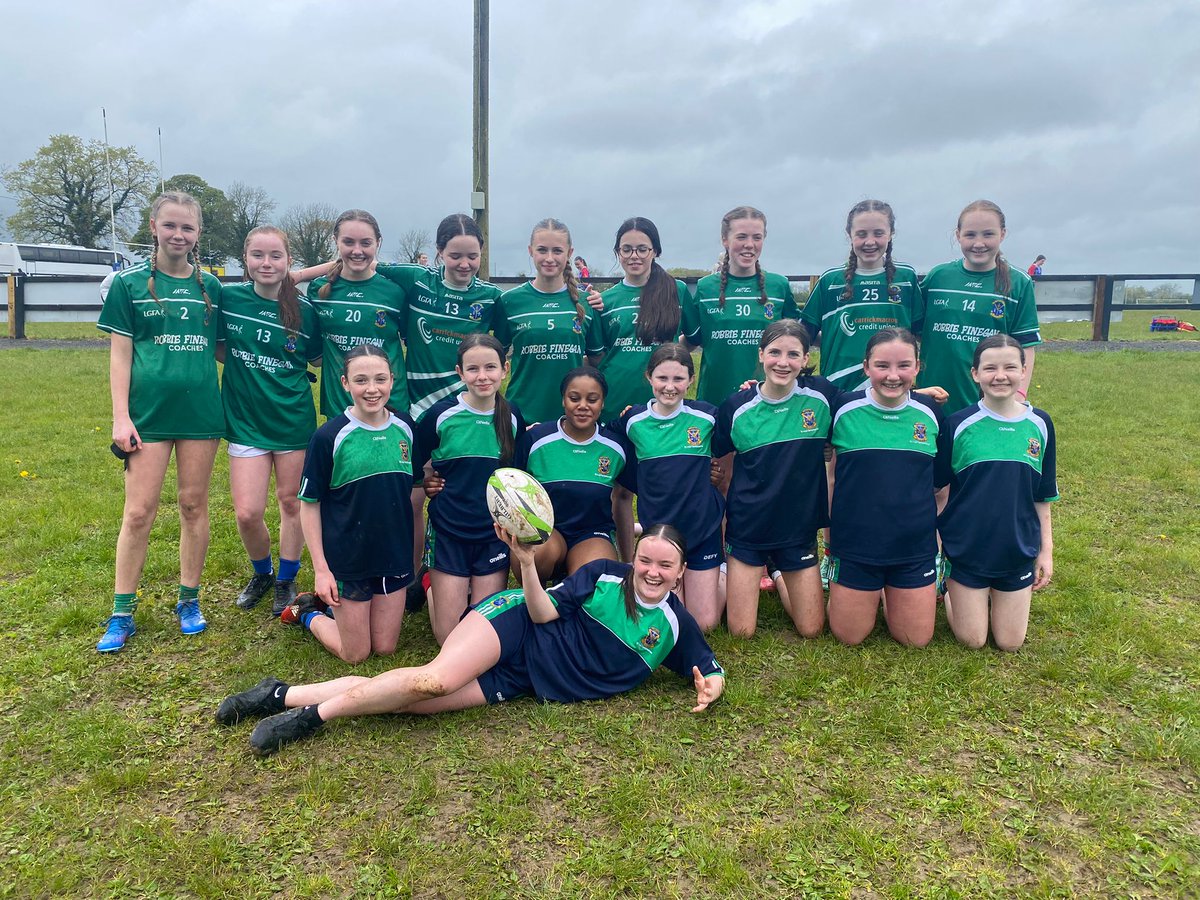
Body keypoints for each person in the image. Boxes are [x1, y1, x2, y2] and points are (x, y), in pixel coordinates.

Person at [215, 524, 726, 757]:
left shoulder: (676, 626)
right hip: (514, 625)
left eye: (665, 565)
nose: (652, 571)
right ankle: (304, 721)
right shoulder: (605, 575)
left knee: (406, 699)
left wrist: (711, 687)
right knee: (432, 680)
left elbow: (708, 666)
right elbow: (543, 612)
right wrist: (526, 566)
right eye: (645, 559)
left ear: (681, 573)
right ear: (633, 557)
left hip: (523, 679)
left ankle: (278, 693)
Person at [94, 191, 223, 652]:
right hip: (146, 418)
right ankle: (121, 611)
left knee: (193, 505)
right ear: (153, 226)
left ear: (198, 234)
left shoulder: (213, 288)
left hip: (201, 415)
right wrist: (121, 416)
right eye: (170, 226)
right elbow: (121, 354)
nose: (178, 235)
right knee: (138, 512)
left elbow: (227, 346)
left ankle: (188, 599)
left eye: (187, 228)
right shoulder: (128, 285)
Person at [286, 344, 417, 662]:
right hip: (348, 559)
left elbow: (416, 482)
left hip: (393, 555)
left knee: (385, 649)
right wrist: (321, 571)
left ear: (392, 380)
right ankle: (308, 612)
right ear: (344, 383)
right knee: (355, 654)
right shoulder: (329, 437)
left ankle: (341, 613)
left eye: (380, 379)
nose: (372, 389)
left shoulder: (405, 428)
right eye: (361, 380)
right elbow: (310, 503)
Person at [713, 320, 838, 638]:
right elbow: (714, 453)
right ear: (761, 355)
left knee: (811, 629)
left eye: (793, 354)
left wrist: (916, 394)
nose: (783, 362)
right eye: (775, 352)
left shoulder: (822, 396)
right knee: (741, 631)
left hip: (797, 529)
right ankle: (736, 568)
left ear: (806, 359)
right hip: (749, 529)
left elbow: (869, 401)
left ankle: (780, 571)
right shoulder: (736, 407)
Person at [221, 226, 321, 615]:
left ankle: (287, 578)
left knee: (291, 502)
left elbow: (313, 359)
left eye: (275, 256)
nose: (267, 263)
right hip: (246, 419)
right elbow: (218, 348)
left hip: (292, 417)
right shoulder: (228, 299)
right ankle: (262, 572)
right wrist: (251, 370)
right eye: (258, 255)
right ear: (245, 259)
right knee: (247, 512)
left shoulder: (306, 311)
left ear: (288, 261)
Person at [936, 334, 1058, 651]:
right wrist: (936, 548)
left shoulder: (1040, 423)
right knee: (973, 641)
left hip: (1017, 550)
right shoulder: (957, 424)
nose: (1000, 376)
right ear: (975, 374)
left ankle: (992, 596)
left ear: (1023, 370)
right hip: (968, 549)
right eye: (990, 368)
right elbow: (939, 491)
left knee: (1009, 643)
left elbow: (1042, 496)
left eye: (1009, 367)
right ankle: (955, 590)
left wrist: (1046, 550)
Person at [827, 328, 945, 648]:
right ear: (866, 367)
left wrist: (934, 538)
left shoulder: (931, 412)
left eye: (904, 366)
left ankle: (893, 588)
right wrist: (754, 389)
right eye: (882, 366)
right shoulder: (842, 408)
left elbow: (941, 486)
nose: (893, 376)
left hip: (912, 546)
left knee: (914, 640)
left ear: (918, 368)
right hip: (856, 544)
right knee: (849, 636)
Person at [417, 334, 525, 644]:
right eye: (473, 369)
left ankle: (447, 585)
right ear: (459, 372)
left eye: (490, 367)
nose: (482, 376)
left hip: (493, 535)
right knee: (448, 639)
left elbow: (519, 476)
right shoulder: (441, 415)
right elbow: (414, 461)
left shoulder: (512, 416)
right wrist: (426, 478)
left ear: (504, 369)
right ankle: (430, 583)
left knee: (480, 634)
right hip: (449, 531)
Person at [591, 216, 688, 560]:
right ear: (617, 252)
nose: (635, 255)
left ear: (655, 251)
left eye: (642, 248)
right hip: (618, 405)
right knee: (620, 490)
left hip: (663, 407)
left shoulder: (676, 292)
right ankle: (629, 559)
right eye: (627, 248)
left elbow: (691, 341)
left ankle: (665, 552)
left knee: (660, 483)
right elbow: (598, 356)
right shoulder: (606, 300)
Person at [613, 344, 724, 630]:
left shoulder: (707, 417)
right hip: (662, 536)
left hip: (702, 531)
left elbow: (739, 436)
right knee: (671, 618)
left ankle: (723, 572)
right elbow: (598, 436)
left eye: (679, 379)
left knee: (704, 624)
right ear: (649, 377)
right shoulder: (632, 421)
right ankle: (648, 539)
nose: (670, 387)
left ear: (691, 379)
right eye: (662, 378)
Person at [918, 200, 1042, 415]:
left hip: (988, 399)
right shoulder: (938, 277)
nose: (979, 243)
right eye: (970, 235)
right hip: (932, 395)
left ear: (1002, 234)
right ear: (958, 235)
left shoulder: (1018, 283)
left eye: (988, 234)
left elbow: (1026, 345)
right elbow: (915, 331)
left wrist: (1018, 395)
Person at [513, 366, 625, 584]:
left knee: (597, 578)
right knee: (536, 556)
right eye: (574, 398)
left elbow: (626, 497)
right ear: (563, 400)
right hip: (547, 529)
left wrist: (629, 560)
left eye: (592, 399)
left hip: (592, 533)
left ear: (602, 403)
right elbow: (509, 487)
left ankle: (573, 581)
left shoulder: (616, 446)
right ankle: (539, 603)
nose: (583, 406)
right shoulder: (535, 439)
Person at [801, 200, 923, 392]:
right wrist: (835, 338)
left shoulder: (906, 278)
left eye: (878, 233)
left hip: (892, 386)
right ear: (849, 234)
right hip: (838, 387)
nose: (870, 241)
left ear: (891, 233)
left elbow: (920, 333)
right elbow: (803, 335)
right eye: (861, 234)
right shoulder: (830, 281)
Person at [683, 206, 799, 405]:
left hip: (768, 399)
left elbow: (799, 340)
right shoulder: (705, 288)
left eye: (757, 237)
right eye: (741, 237)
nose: (749, 245)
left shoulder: (779, 286)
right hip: (715, 399)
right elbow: (692, 340)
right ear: (724, 240)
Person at [494, 219, 603, 424]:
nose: (549, 258)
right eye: (542, 250)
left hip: (573, 419)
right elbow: (495, 359)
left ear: (570, 253)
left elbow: (597, 361)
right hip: (521, 418)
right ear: (530, 251)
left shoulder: (587, 303)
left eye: (557, 251)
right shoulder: (510, 301)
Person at [307, 209, 408, 420]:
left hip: (390, 404)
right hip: (340, 404)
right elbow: (314, 353)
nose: (357, 250)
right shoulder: (318, 290)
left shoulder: (395, 291)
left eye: (366, 243)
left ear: (378, 243)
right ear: (336, 241)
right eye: (349, 242)